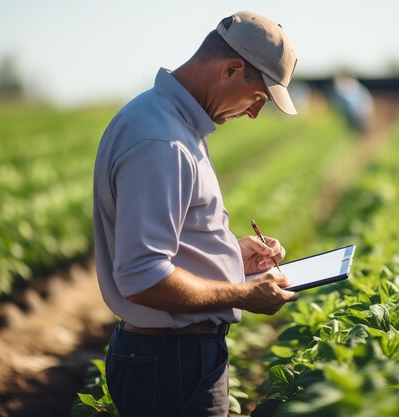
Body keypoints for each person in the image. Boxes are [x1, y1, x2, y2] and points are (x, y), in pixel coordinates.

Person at [93, 11, 299, 417]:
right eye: (259, 98)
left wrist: (230, 256)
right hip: (170, 365)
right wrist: (245, 293)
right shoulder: (161, 141)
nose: (255, 113)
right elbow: (143, 276)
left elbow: (167, 249)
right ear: (232, 69)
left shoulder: (172, 124)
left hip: (173, 359)